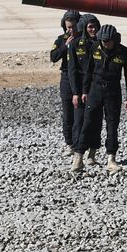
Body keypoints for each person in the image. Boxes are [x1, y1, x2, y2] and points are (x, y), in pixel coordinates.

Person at [84, 24, 127, 173]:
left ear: (114, 40)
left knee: (112, 125)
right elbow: (88, 71)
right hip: (95, 89)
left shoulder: (123, 51)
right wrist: (84, 91)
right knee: (92, 121)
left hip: (113, 91)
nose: (105, 44)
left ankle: (111, 158)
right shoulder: (95, 48)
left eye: (107, 41)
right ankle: (90, 153)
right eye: (103, 41)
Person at [69, 13, 100, 173]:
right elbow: (72, 71)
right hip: (80, 88)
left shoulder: (102, 44)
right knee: (79, 121)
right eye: (90, 27)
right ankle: (77, 152)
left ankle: (92, 154)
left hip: (96, 88)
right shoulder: (75, 45)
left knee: (95, 122)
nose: (93, 30)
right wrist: (75, 92)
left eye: (95, 27)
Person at [49, 10, 81, 156]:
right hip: (67, 78)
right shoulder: (61, 39)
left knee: (80, 113)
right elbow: (53, 57)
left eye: (73, 26)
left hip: (81, 78)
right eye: (68, 27)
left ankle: (80, 143)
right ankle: (69, 143)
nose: (71, 30)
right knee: (68, 115)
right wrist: (65, 46)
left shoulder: (83, 39)